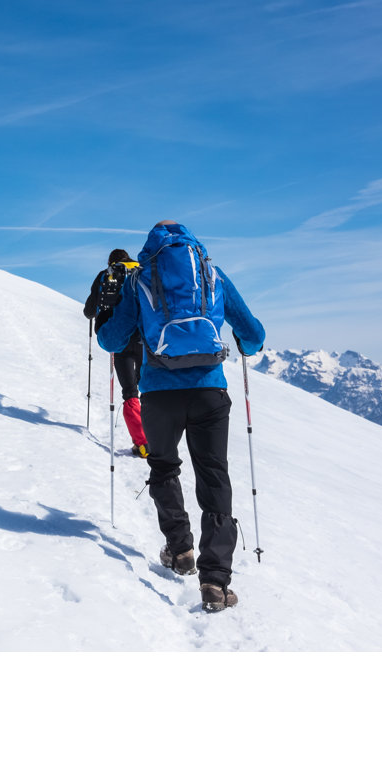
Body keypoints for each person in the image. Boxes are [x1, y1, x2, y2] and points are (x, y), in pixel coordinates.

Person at [96, 220, 265, 612]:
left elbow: (112, 339)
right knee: (213, 476)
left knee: (164, 467)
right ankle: (215, 581)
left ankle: (180, 549)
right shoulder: (211, 273)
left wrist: (111, 313)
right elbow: (253, 335)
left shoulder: (141, 281)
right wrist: (242, 340)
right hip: (210, 390)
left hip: (159, 393)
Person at [83, 248, 149, 458]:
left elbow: (89, 311)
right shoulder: (143, 272)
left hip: (120, 340)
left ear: (112, 261)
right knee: (149, 389)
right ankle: (157, 437)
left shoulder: (107, 275)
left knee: (130, 391)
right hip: (145, 339)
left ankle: (141, 444)